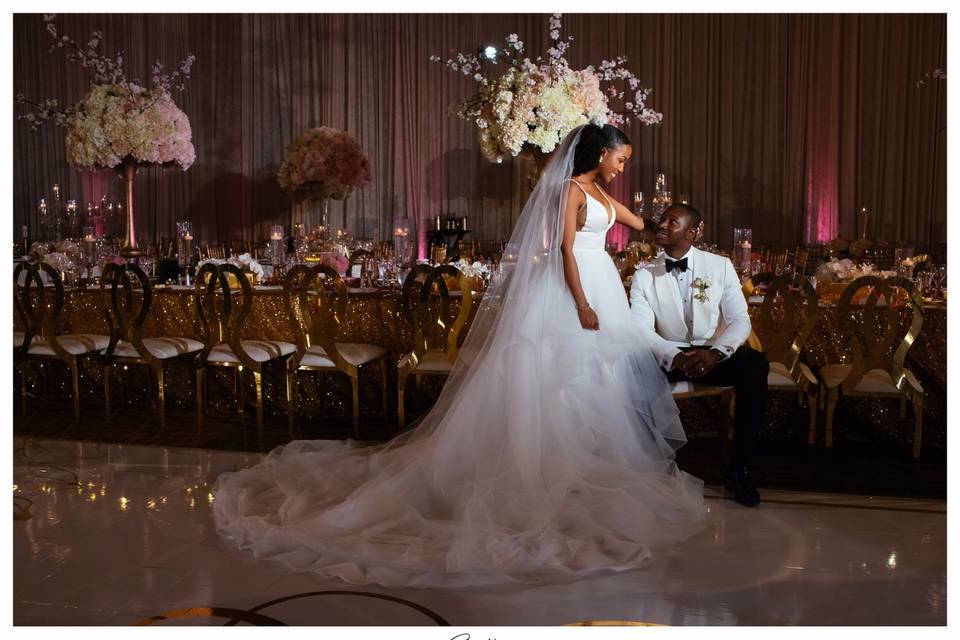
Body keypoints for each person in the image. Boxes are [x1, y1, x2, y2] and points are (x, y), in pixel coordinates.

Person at [212, 124, 705, 588]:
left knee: (599, 383)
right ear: (601, 154)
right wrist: (582, 303)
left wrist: (675, 225)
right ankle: (545, 480)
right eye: (621, 159)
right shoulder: (571, 191)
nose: (622, 167)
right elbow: (566, 251)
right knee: (557, 382)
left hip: (604, 290)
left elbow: (641, 224)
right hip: (575, 292)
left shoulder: (601, 193)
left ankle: (589, 475)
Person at [629, 203, 767, 507]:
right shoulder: (644, 275)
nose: (661, 225)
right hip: (670, 354)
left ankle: (739, 469)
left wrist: (716, 354)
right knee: (629, 367)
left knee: (755, 365)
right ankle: (652, 470)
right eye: (662, 220)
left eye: (671, 222)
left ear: (691, 233)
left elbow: (740, 320)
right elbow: (640, 330)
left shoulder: (720, 266)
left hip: (712, 353)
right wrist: (674, 356)